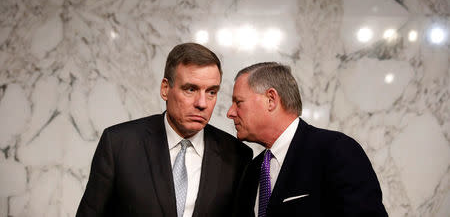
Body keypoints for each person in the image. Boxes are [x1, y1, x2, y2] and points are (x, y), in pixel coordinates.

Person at [76, 43, 253, 217]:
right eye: (191, 89)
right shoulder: (119, 143)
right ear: (165, 89)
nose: (202, 103)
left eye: (211, 92)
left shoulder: (237, 156)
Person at [227, 62, 388, 216]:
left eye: (238, 102)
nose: (230, 112)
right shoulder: (254, 169)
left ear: (271, 99)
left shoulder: (336, 151)